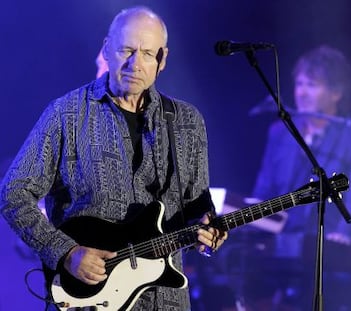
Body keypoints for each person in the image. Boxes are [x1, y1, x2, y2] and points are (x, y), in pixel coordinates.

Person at [0, 6, 227, 311]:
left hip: (166, 302)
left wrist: (208, 229)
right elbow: (13, 193)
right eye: (127, 50)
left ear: (163, 60)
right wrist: (66, 253)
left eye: (148, 53)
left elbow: (197, 204)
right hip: (87, 301)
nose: (136, 63)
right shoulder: (66, 114)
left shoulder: (187, 121)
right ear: (107, 49)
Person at [251, 45, 351, 310]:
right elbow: (263, 188)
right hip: (280, 237)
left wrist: (345, 233)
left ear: (336, 92)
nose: (302, 92)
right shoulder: (280, 132)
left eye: (312, 84)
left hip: (325, 240)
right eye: (299, 83)